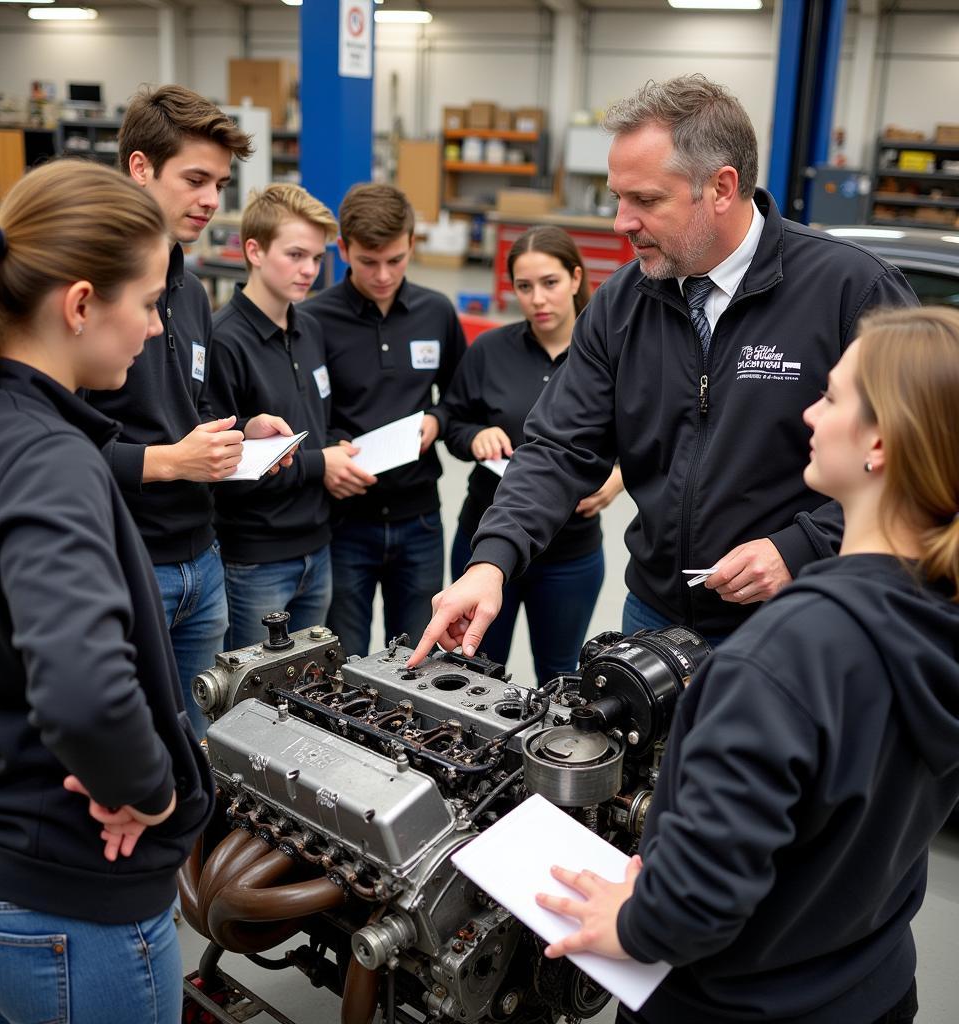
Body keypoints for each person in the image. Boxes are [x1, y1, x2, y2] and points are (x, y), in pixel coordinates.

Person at [535, 305, 959, 1024]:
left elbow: (695, 910)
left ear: (879, 443)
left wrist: (636, 922)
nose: (809, 412)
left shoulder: (782, 657)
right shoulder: (935, 612)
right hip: (874, 986)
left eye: (829, 396)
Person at [408, 75, 917, 668]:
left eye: (646, 200)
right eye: (617, 198)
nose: (621, 222)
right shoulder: (623, 302)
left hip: (797, 620)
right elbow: (559, 447)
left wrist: (804, 547)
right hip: (651, 618)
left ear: (722, 187)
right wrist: (490, 562)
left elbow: (925, 458)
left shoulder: (851, 290)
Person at [0, 160, 214, 1024]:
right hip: (63, 897)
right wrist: (153, 790)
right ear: (82, 303)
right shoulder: (46, 461)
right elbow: (87, 692)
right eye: (150, 300)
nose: (158, 325)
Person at [84, 85, 294, 736]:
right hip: (127, 561)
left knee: (202, 747)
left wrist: (245, 431)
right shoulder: (91, 292)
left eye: (221, 184)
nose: (211, 200)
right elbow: (52, 448)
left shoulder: (195, 292)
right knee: (130, 750)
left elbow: (196, 406)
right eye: (195, 179)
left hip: (203, 562)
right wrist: (169, 461)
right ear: (140, 168)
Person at [443, 225, 622, 682]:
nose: (538, 299)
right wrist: (476, 435)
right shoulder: (489, 350)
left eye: (550, 283)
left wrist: (618, 479)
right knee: (476, 670)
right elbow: (454, 421)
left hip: (570, 553)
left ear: (577, 279)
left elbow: (639, 435)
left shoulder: (608, 356)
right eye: (524, 287)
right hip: (486, 540)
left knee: (559, 676)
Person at [302, 183, 467, 656]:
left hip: (420, 521)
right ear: (343, 249)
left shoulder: (436, 312)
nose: (382, 275)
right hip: (346, 523)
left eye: (395, 260)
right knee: (342, 659)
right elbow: (307, 414)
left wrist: (437, 418)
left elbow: (460, 396)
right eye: (368, 261)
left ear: (412, 244)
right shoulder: (313, 320)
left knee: (417, 658)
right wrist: (329, 454)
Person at [208, 184, 375, 648]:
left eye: (317, 258)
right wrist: (323, 464)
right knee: (253, 702)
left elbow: (321, 421)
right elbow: (226, 465)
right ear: (254, 251)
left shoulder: (309, 329)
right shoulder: (225, 341)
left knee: (308, 690)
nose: (309, 270)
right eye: (296, 255)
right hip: (257, 559)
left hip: (318, 549)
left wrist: (339, 449)